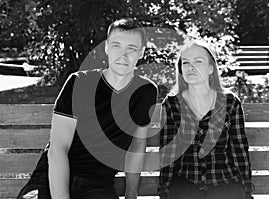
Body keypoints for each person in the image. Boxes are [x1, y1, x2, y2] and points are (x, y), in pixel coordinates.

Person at [17, 18, 158, 199]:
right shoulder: (80, 83)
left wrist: (131, 194)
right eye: (116, 46)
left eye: (131, 48)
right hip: (50, 179)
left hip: (96, 184)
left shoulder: (145, 92)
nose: (123, 55)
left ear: (141, 52)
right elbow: (58, 149)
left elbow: (137, 144)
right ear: (107, 47)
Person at [159, 39, 254, 199]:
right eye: (186, 62)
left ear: (211, 68)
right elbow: (169, 154)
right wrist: (165, 191)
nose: (191, 67)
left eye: (198, 61)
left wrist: (246, 190)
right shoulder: (172, 104)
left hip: (224, 180)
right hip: (187, 180)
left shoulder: (229, 102)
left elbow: (239, 150)